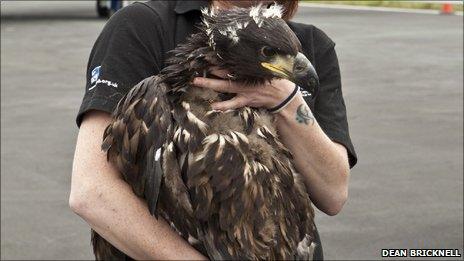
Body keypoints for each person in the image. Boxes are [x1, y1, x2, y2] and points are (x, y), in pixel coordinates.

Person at [69, 0, 358, 260]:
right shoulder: (143, 25)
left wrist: (285, 100)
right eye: (270, 54)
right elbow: (92, 192)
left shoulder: (311, 44)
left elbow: (333, 195)